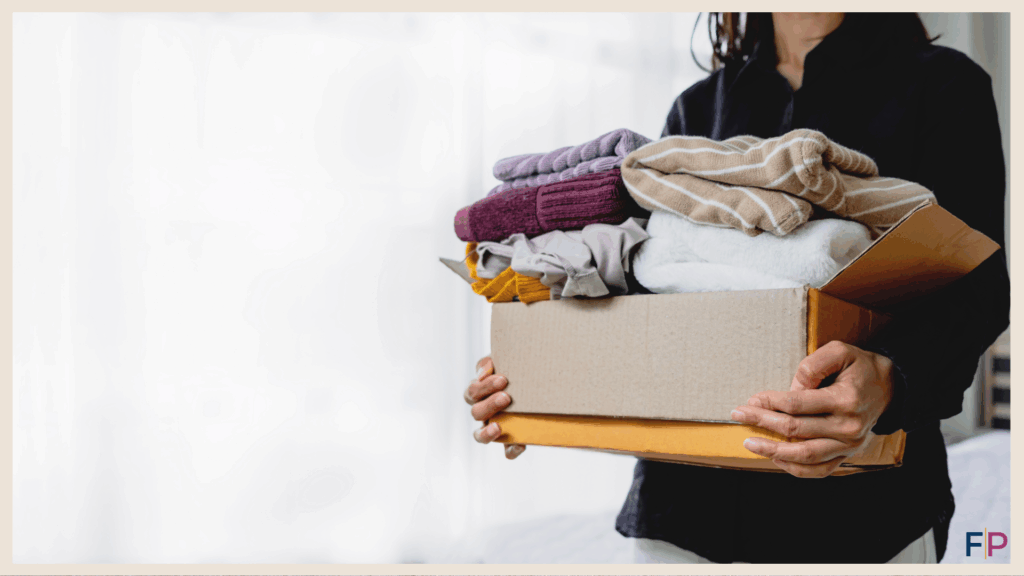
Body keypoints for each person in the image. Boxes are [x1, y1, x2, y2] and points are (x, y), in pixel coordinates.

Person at [463, 12, 1009, 564]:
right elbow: (648, 289)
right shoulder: (696, 109)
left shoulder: (943, 85)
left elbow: (980, 289)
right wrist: (538, 376)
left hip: (864, 515)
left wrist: (891, 378)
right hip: (681, 515)